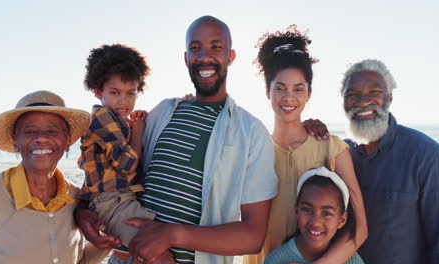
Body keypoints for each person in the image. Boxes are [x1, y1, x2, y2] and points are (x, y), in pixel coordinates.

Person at [76, 15, 278, 264]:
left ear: (231, 56)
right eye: (195, 48)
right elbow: (106, 168)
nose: (204, 56)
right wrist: (82, 213)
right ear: (186, 58)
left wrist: (172, 234)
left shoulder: (251, 132)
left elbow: (252, 236)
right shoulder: (160, 113)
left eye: (216, 47)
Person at [244, 26, 367, 264]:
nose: (289, 97)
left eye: (298, 89)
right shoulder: (254, 151)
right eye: (279, 88)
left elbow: (359, 228)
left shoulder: (331, 148)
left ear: (309, 93)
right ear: (267, 91)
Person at [0, 90, 109, 263]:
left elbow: (77, 260)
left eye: (52, 131)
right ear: (15, 141)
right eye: (30, 131)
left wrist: (109, 240)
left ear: (67, 141)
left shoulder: (77, 200)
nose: (41, 138)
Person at [340, 59, 439, 263]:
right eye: (352, 94)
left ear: (389, 97)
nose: (362, 102)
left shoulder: (428, 156)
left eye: (374, 92)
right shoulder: (338, 154)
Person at [78, 44, 156, 253]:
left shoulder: (120, 122)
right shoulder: (102, 117)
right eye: (114, 92)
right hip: (111, 202)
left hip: (121, 198)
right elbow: (128, 164)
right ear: (97, 91)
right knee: (155, 252)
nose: (124, 101)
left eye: (131, 93)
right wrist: (138, 130)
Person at [264, 167, 364, 264]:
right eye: (307, 210)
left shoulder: (352, 260)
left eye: (326, 213)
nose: (315, 222)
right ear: (297, 212)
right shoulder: (277, 260)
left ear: (341, 220)